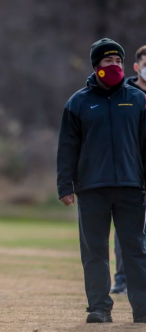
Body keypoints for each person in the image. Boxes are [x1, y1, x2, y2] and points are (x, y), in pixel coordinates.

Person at [57, 38, 146, 324]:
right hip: (92, 189)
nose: (115, 66)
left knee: (136, 251)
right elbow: (67, 148)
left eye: (118, 61)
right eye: (109, 62)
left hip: (132, 188)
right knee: (95, 252)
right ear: (97, 67)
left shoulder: (139, 100)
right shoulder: (78, 102)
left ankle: (142, 309)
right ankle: (99, 308)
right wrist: (65, 186)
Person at [111, 45, 146, 295]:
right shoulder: (126, 94)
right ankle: (122, 279)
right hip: (131, 171)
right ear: (137, 66)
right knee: (127, 229)